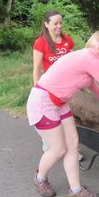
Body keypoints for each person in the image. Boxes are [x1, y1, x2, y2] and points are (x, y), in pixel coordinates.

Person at [26, 31, 99, 197]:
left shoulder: (86, 58)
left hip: (59, 102)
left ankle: (75, 190)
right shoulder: (91, 58)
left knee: (73, 144)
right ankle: (40, 178)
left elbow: (94, 87)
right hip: (43, 101)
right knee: (58, 149)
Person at [32, 10, 75, 154]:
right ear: (46, 24)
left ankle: (72, 149)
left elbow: (73, 65)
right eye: (55, 23)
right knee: (52, 118)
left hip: (66, 88)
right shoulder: (40, 43)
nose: (59, 26)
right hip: (49, 89)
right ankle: (49, 145)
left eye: (60, 23)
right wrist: (36, 89)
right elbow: (36, 69)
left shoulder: (67, 40)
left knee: (67, 119)